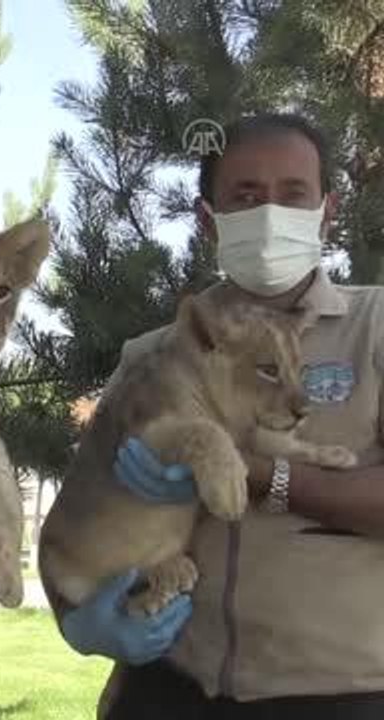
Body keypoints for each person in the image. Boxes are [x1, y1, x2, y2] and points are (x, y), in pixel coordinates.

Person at [54, 113, 384, 719]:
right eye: (246, 196)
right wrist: (77, 621)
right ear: (209, 219)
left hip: (342, 695)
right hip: (168, 691)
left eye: (293, 194)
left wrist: (265, 474)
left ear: (327, 210)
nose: (269, 214)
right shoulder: (152, 356)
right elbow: (77, 508)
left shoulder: (377, 328)